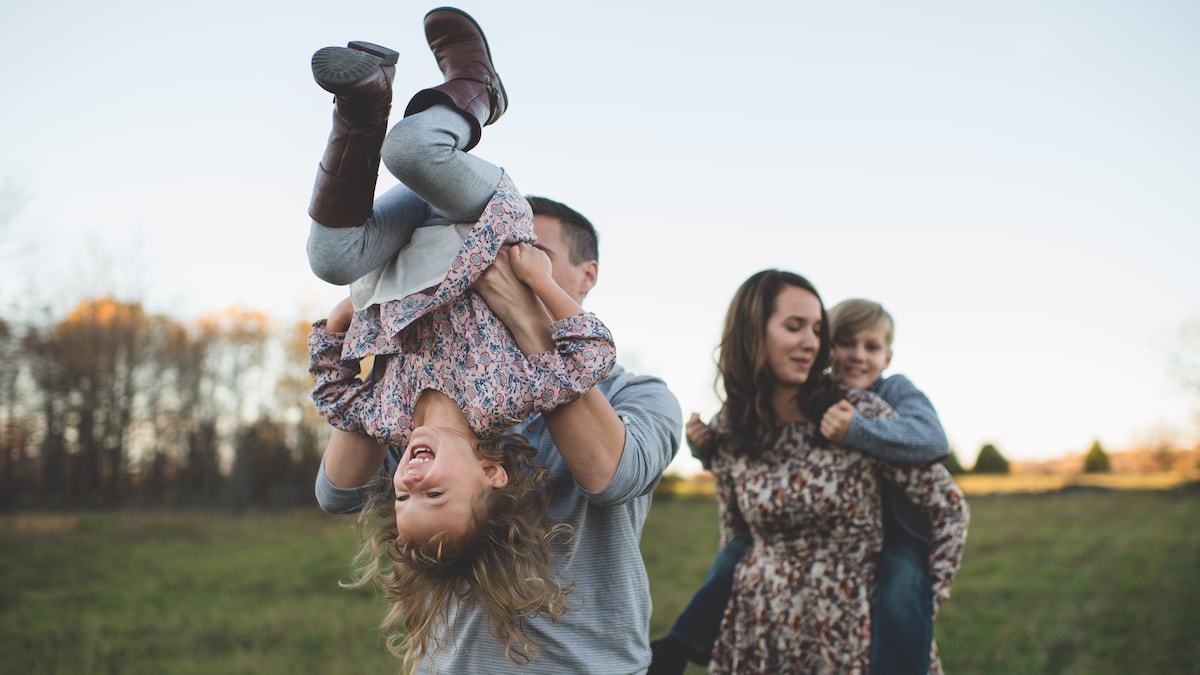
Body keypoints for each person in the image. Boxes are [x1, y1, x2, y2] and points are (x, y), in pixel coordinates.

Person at [309, 10, 684, 675]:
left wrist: (348, 321)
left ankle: (365, 107)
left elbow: (610, 475)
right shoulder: (463, 413)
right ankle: (476, 86)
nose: (501, 262)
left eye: (532, 250)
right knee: (415, 157)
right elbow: (336, 492)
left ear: (585, 274)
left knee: (332, 254)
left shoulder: (640, 395)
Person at [669, 269, 967, 674]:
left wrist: (922, 597)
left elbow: (947, 505)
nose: (812, 342)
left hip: (851, 634)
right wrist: (704, 451)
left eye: (816, 330)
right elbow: (736, 536)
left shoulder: (856, 414)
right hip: (760, 630)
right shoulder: (730, 428)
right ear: (753, 333)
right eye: (795, 327)